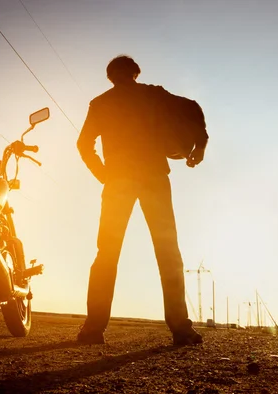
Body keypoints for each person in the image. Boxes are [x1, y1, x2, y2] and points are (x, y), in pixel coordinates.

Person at [76, 55, 208, 346]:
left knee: (106, 254)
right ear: (135, 73)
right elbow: (192, 108)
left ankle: (93, 329)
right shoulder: (152, 94)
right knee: (168, 253)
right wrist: (201, 143)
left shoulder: (100, 103)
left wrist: (104, 175)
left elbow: (83, 144)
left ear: (111, 77)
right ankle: (181, 330)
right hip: (153, 178)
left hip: (120, 180)